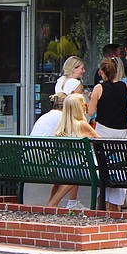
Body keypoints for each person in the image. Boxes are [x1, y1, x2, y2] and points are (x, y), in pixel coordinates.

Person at [87, 58, 127, 212]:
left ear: (101, 72)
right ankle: (116, 204)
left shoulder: (99, 88)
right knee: (119, 167)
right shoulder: (125, 86)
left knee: (102, 167)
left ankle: (102, 201)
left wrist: (90, 100)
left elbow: (91, 112)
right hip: (121, 132)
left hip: (103, 131)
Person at [46, 93, 99, 209]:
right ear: (79, 108)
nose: (86, 106)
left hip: (60, 167)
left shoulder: (62, 125)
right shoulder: (81, 124)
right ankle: (54, 202)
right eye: (84, 104)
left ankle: (51, 203)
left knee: (68, 172)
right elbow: (100, 142)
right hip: (78, 168)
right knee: (78, 173)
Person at [53, 56, 86, 209]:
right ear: (74, 69)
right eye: (81, 68)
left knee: (63, 166)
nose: (83, 71)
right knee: (76, 163)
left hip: (59, 123)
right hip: (71, 123)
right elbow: (78, 108)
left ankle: (53, 201)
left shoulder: (60, 81)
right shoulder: (76, 84)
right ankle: (72, 202)